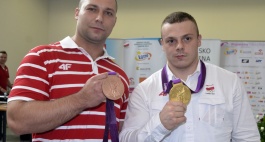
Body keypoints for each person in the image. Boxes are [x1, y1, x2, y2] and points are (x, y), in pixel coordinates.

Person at [119, 11, 260, 142]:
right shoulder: (144, 90)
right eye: (171, 41)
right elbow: (126, 139)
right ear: (162, 44)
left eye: (187, 38)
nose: (179, 46)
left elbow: (247, 138)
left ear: (199, 40)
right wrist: (160, 124)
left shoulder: (229, 82)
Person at [7, 0, 129, 141]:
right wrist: (81, 99)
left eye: (108, 13)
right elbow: (17, 121)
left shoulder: (120, 76)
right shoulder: (42, 57)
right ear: (77, 13)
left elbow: (121, 131)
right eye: (92, 9)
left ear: (114, 21)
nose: (99, 18)